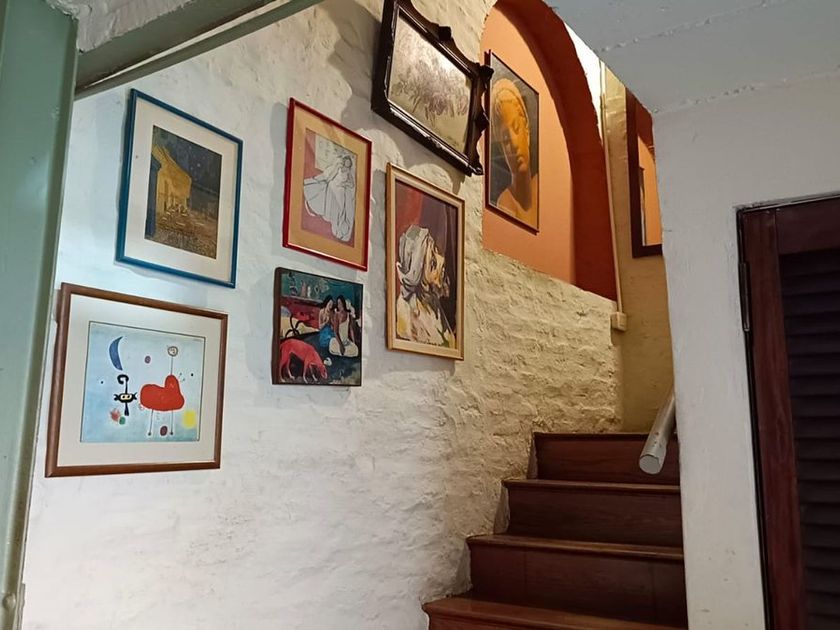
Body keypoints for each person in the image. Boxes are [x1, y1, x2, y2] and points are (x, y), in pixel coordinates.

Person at [395, 225, 454, 347]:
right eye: (433, 264)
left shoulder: (432, 301)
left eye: (436, 250)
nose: (441, 260)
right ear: (418, 273)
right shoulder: (407, 312)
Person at [491, 78, 538, 223]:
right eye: (506, 140)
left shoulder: (541, 187)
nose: (514, 144)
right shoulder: (505, 203)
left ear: (527, 131)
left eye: (516, 128)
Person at [303, 153, 356, 242]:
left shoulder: (348, 172)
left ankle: (340, 229)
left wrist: (345, 184)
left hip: (342, 190)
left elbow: (351, 184)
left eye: (349, 162)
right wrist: (325, 182)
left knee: (342, 210)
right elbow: (331, 176)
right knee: (336, 208)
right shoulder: (339, 167)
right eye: (346, 161)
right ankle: (336, 228)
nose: (347, 163)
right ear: (344, 161)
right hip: (334, 188)